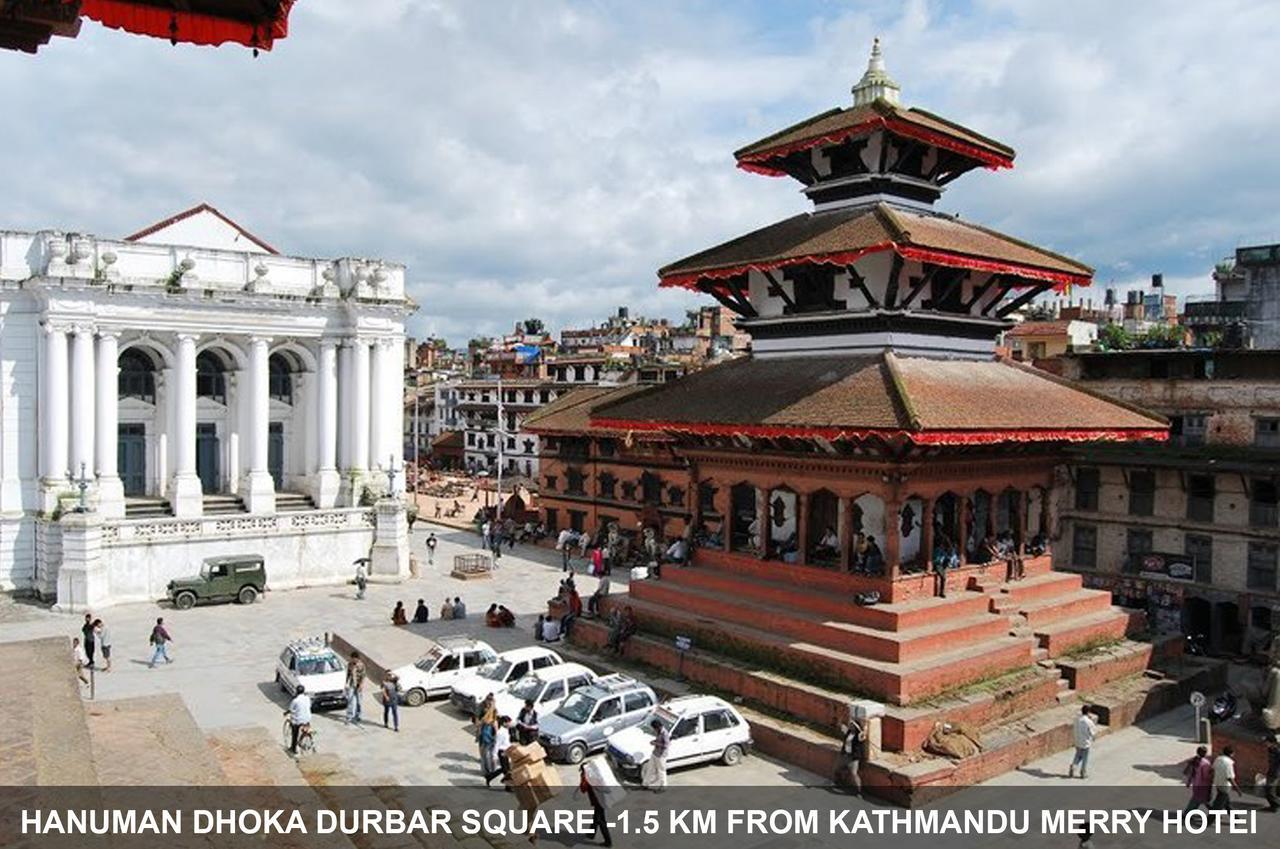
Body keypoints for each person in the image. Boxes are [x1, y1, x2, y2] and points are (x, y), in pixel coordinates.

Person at [579, 763, 613, 848]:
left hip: (598, 801)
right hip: (601, 799)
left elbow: (583, 789)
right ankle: (591, 834)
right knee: (596, 817)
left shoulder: (589, 778)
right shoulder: (596, 774)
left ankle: (608, 841)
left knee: (601, 820)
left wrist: (582, 777)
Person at [1182, 745, 1213, 814]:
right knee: (1199, 800)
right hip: (1203, 784)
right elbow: (1206, 776)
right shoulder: (1206, 763)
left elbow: (1190, 772)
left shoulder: (1194, 760)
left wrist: (1189, 782)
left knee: (1201, 800)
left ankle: (1214, 813)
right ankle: (1186, 814)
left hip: (1196, 783)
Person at [484, 716, 514, 786]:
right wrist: (494, 755)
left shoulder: (506, 731)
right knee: (506, 770)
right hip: (502, 752)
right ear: (504, 723)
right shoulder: (500, 732)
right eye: (509, 722)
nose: (510, 724)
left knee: (505, 769)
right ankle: (508, 786)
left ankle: (489, 777)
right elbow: (497, 744)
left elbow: (507, 742)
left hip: (506, 751)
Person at [839, 718, 866, 796]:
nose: (850, 726)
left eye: (852, 725)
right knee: (840, 769)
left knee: (854, 773)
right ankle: (840, 783)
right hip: (846, 755)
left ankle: (859, 791)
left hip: (854, 757)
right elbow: (841, 726)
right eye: (850, 725)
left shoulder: (858, 736)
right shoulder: (848, 732)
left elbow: (863, 736)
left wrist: (865, 726)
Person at [1068, 706, 1097, 779]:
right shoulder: (1088, 721)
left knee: (1078, 755)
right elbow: (1093, 731)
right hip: (1085, 742)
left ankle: (1074, 766)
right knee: (1085, 757)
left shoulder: (1077, 719)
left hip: (1077, 740)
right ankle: (1083, 772)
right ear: (1088, 712)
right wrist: (1093, 737)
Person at [1211, 746, 1242, 810]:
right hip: (1225, 786)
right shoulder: (1229, 763)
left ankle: (1236, 818)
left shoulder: (1218, 759)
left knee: (1226, 803)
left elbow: (1213, 770)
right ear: (1231, 754)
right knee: (1218, 805)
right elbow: (1230, 778)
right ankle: (1210, 819)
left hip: (1218, 783)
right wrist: (1237, 789)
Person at [642, 718, 669, 791]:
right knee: (650, 769)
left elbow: (666, 745)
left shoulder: (665, 733)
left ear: (658, 727)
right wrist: (654, 741)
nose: (654, 730)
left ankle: (663, 786)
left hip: (661, 755)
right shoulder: (658, 732)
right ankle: (645, 784)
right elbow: (658, 740)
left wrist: (655, 743)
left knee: (661, 771)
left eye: (654, 728)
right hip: (655, 753)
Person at [287, 685, 312, 756]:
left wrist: (286, 713)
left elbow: (291, 709)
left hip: (299, 720)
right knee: (306, 725)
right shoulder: (307, 698)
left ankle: (293, 748)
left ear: (297, 692)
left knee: (294, 731)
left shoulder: (295, 700)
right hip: (308, 718)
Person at [345, 651, 366, 725]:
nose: (352, 660)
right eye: (351, 658)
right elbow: (348, 674)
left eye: (353, 658)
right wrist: (346, 683)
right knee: (350, 700)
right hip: (351, 684)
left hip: (358, 685)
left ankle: (358, 715)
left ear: (356, 658)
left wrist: (361, 685)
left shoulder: (361, 665)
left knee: (359, 702)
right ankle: (349, 716)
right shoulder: (350, 664)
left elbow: (363, 676)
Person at [1264, 732, 1280, 812]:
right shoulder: (1270, 749)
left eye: (1267, 742)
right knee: (1269, 789)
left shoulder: (1278, 751)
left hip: (1275, 773)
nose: (1266, 744)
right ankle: (1273, 805)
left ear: (1272, 743)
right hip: (1271, 771)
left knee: (1269, 790)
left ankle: (1276, 805)